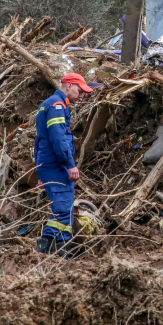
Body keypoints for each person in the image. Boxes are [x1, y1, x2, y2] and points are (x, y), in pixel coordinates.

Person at [34, 73, 94, 255]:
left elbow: (39, 141)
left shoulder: (50, 104)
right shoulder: (57, 106)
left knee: (64, 208)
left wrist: (40, 172)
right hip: (56, 165)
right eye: (79, 90)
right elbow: (58, 139)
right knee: (62, 207)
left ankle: (59, 250)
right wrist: (70, 164)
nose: (81, 95)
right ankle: (48, 250)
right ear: (68, 86)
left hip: (48, 165)